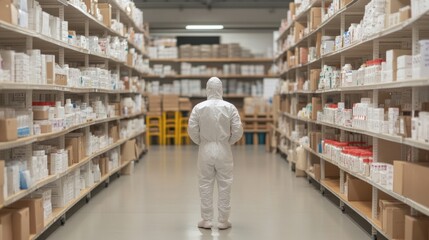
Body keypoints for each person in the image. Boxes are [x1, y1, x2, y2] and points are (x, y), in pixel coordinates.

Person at [188, 77, 243, 230]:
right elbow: (238, 130)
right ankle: (223, 221)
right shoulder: (230, 107)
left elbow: (192, 129)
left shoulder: (199, 108)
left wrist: (201, 142)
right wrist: (228, 142)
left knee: (205, 183)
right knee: (225, 183)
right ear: (221, 89)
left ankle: (206, 220)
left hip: (205, 149)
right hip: (224, 149)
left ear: (207, 89)